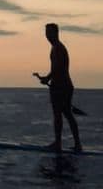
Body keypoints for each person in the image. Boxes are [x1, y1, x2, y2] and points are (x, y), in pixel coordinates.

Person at [34, 22, 83, 153]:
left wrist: (47, 78)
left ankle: (59, 144)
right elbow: (56, 69)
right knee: (67, 114)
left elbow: (58, 68)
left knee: (59, 115)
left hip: (61, 87)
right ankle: (76, 145)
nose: (47, 35)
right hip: (62, 86)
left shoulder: (58, 48)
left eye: (49, 32)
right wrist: (48, 78)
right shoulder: (55, 48)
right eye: (46, 33)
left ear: (56, 33)